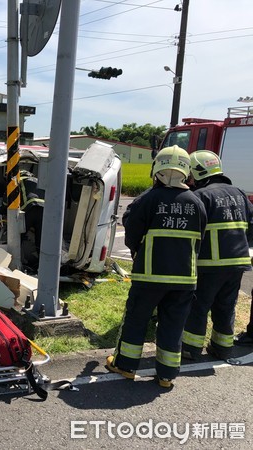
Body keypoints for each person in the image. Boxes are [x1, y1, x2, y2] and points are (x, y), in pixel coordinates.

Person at [105, 145, 207, 388]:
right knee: (173, 325)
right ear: (186, 172)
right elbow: (198, 240)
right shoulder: (196, 202)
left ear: (157, 169)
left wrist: (138, 249)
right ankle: (166, 375)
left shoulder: (148, 199)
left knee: (137, 319)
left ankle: (126, 365)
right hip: (184, 279)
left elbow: (131, 234)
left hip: (149, 276)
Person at [181, 151, 253, 360]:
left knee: (198, 306)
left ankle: (190, 349)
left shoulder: (201, 196)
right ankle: (222, 348)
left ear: (198, 172)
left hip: (210, 264)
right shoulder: (239, 192)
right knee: (226, 306)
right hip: (238, 262)